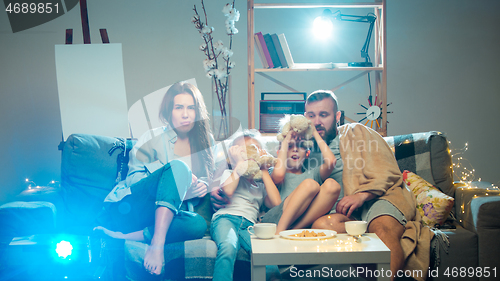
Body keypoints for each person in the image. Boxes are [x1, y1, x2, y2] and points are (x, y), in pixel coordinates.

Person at [94, 82, 214, 276]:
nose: (186, 114)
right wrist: (177, 182)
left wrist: (202, 186)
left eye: (191, 108)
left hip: (163, 219)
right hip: (130, 209)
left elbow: (210, 178)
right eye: (179, 107)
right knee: (178, 168)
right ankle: (156, 245)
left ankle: (126, 237)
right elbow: (134, 182)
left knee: (198, 224)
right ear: (169, 111)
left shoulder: (205, 141)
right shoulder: (152, 138)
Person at [305, 90, 424, 280]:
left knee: (381, 227)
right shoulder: (305, 147)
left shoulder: (357, 132)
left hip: (377, 198)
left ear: (337, 116)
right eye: (311, 115)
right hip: (345, 213)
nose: (317, 121)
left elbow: (388, 172)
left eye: (323, 115)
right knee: (322, 225)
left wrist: (361, 195)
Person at [210, 130, 281, 281]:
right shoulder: (230, 174)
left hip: (249, 225)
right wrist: (239, 164)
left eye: (254, 150)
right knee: (228, 247)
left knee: (266, 256)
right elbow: (228, 191)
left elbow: (276, 203)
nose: (250, 155)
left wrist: (263, 169)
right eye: (243, 151)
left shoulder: (260, 185)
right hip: (225, 219)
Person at [260, 115, 341, 234]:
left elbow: (331, 161)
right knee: (310, 185)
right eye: (290, 146)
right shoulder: (274, 173)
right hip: (274, 220)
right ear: (280, 152)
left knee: (332, 185)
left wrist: (314, 132)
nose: (295, 149)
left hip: (299, 223)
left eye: (301, 146)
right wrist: (286, 140)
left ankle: (293, 230)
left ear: (307, 153)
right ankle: (279, 232)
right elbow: (279, 173)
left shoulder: (312, 174)